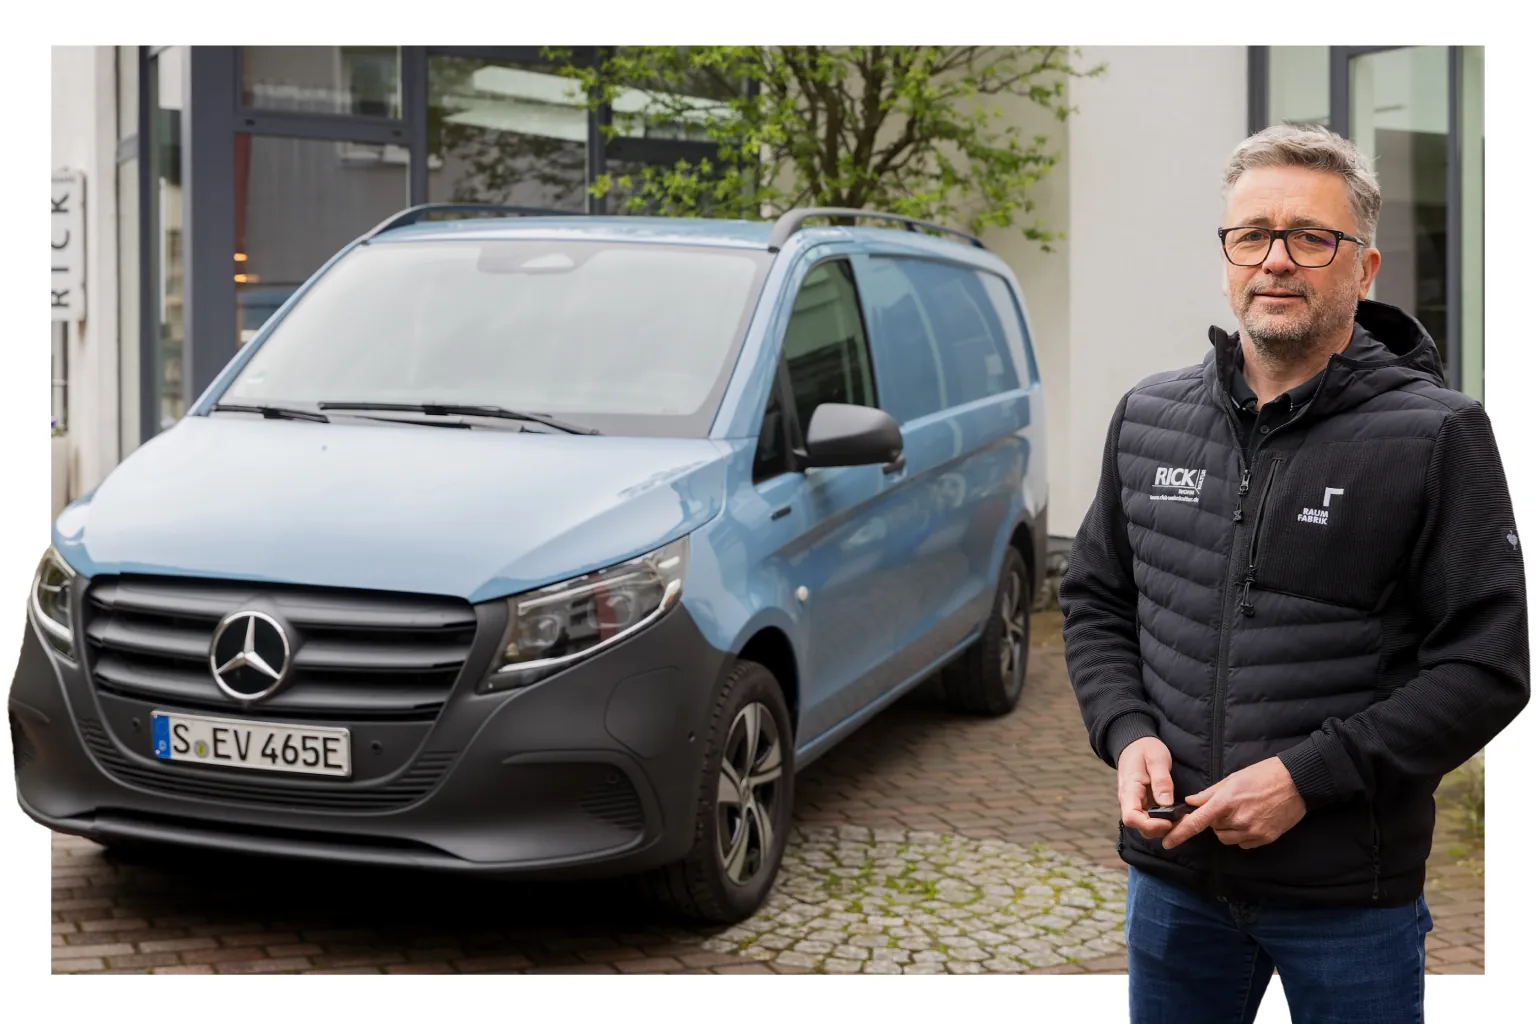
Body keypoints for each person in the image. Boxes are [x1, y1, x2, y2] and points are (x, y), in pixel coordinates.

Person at [1058, 123, 1529, 1023]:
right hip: (1174, 882)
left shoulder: (1438, 434)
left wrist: (1306, 778)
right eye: (1253, 236)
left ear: (1365, 267)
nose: (1277, 260)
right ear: (1226, 258)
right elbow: (1095, 601)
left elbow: (1487, 666)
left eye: (1312, 237)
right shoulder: (1148, 415)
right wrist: (1126, 731)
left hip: (1349, 899)